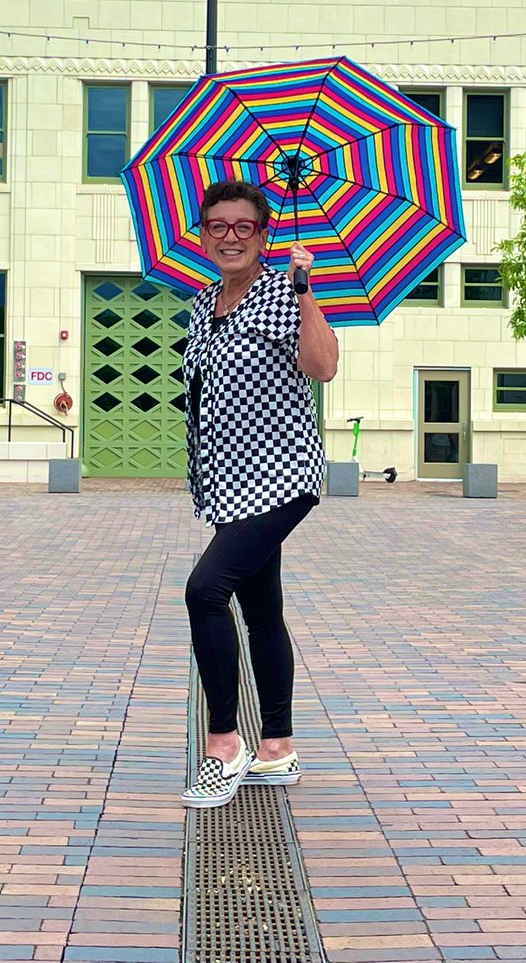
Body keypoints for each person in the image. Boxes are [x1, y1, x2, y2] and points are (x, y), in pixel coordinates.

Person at [180, 180, 339, 809]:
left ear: (263, 235)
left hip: (282, 474)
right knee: (261, 611)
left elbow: (323, 366)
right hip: (226, 482)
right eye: (217, 225)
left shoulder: (281, 292)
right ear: (202, 234)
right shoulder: (202, 303)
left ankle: (225, 745)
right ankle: (278, 747)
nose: (229, 236)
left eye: (243, 226)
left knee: (204, 591)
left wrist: (304, 290)